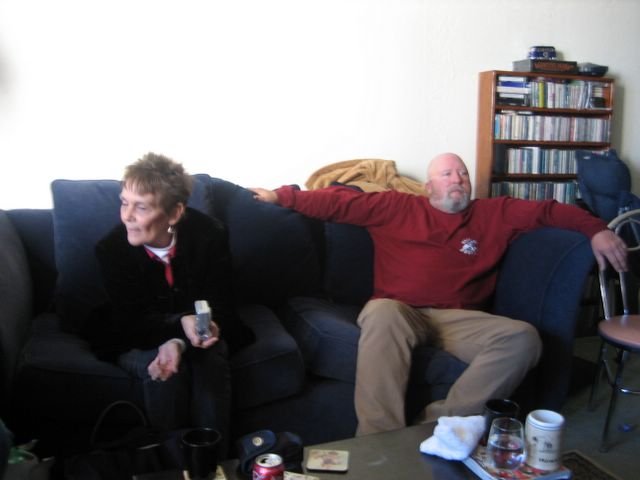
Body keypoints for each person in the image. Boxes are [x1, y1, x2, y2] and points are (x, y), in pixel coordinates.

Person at [250, 152, 628, 436]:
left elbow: (550, 211)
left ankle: (435, 427)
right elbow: (337, 202)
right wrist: (280, 196)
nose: (457, 179)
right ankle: (379, 440)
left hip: (459, 319)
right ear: (429, 187)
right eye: (447, 174)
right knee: (382, 312)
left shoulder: (494, 213)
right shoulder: (396, 206)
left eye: (462, 173)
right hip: (399, 310)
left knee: (523, 337)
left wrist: (596, 230)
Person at [91, 152, 253, 453]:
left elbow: (222, 306)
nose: (127, 216)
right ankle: (171, 465)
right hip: (134, 337)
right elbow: (130, 322)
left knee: (210, 357)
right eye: (124, 203)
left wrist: (181, 340)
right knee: (168, 371)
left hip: (195, 337)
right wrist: (177, 327)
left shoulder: (210, 235)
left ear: (175, 213)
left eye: (141, 207)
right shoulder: (111, 249)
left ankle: (213, 464)